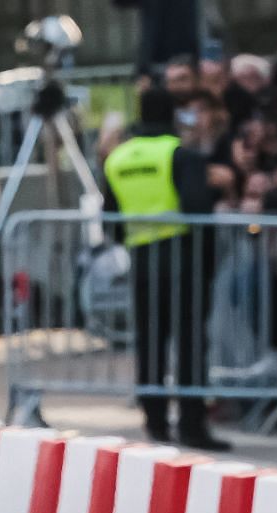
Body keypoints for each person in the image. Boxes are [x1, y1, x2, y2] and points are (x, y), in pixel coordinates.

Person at [102, 86, 229, 451]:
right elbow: (197, 206)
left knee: (150, 342)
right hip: (184, 259)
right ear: (173, 115)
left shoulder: (118, 158)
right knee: (189, 343)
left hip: (142, 261)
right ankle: (192, 425)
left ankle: (155, 422)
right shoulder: (179, 154)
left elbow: (111, 218)